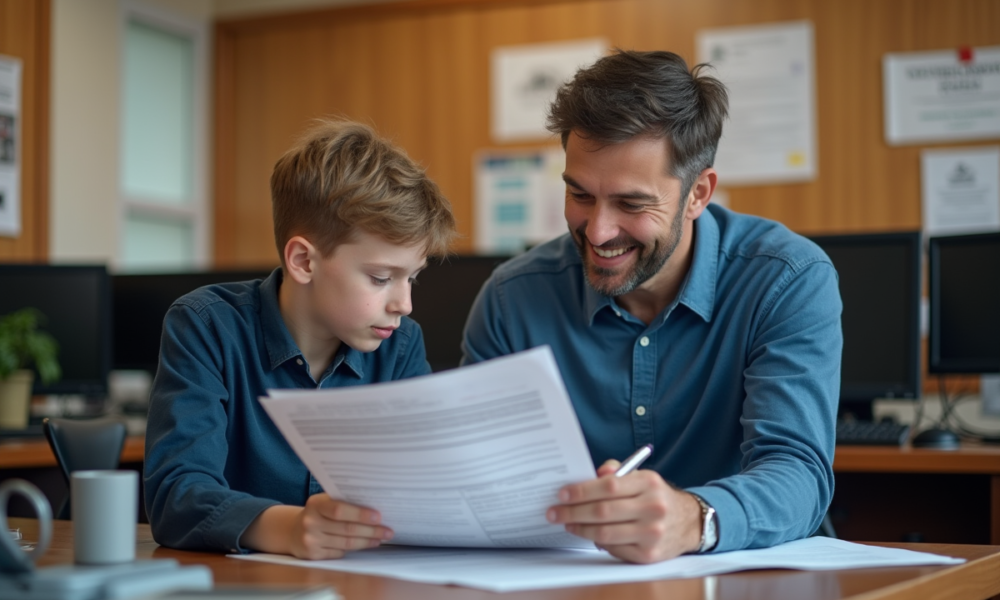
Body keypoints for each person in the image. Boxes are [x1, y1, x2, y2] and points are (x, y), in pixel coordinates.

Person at [462, 50, 842, 564]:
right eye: (580, 195)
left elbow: (797, 473)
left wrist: (695, 518)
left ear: (697, 193)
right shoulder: (513, 299)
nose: (598, 231)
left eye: (631, 204)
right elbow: (476, 476)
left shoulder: (785, 279)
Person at [144, 119, 456, 558]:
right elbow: (175, 496)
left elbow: (431, 487)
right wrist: (290, 529)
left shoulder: (400, 346)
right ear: (304, 261)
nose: (403, 304)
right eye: (381, 278)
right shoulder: (206, 326)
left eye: (413, 279)